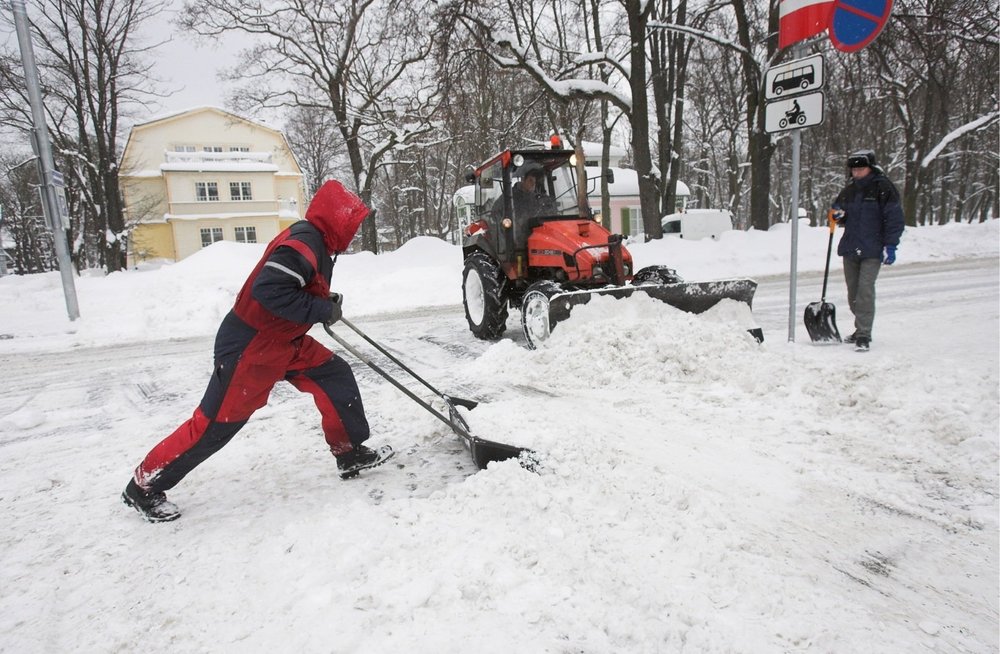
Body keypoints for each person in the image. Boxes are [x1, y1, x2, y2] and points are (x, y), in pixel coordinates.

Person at [122, 180, 394, 522]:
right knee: (215, 425)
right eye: (351, 223)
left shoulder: (318, 241)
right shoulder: (305, 242)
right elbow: (270, 290)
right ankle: (143, 485)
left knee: (333, 374)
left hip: (285, 342)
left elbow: (295, 287)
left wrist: (322, 301)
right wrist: (321, 310)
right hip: (252, 347)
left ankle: (349, 452)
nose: (353, 231)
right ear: (336, 219)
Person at [831, 149, 905, 352]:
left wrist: (891, 245)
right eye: (854, 169)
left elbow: (894, 218)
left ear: (870, 168)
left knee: (865, 291)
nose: (856, 172)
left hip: (872, 248)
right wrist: (837, 216)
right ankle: (859, 327)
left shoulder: (883, 188)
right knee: (853, 293)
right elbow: (838, 210)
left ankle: (864, 333)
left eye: (860, 168)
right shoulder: (850, 190)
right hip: (850, 246)